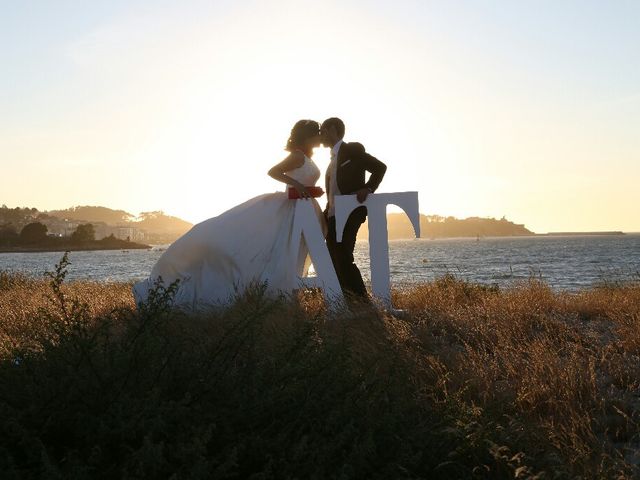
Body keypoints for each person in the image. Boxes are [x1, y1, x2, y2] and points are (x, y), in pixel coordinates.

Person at [133, 120, 325, 309]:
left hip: (302, 208)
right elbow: (273, 171)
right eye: (317, 133)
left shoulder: (306, 156)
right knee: (274, 250)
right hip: (289, 209)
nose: (319, 136)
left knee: (287, 253)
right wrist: (298, 186)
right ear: (308, 136)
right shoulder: (297, 156)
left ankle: (286, 296)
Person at [321, 117, 387, 299]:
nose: (320, 135)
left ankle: (361, 300)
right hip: (334, 215)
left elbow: (379, 167)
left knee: (343, 255)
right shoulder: (330, 160)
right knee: (333, 256)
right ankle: (346, 298)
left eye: (323, 131)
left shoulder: (352, 150)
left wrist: (368, 188)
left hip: (351, 212)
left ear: (333, 129)